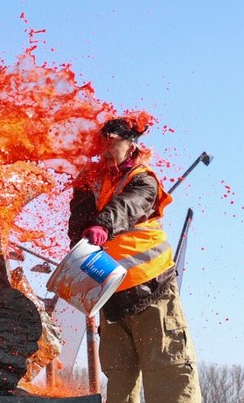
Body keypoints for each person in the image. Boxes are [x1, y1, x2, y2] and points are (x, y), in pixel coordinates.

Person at [68, 116, 201, 403]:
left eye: (112, 144)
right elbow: (77, 224)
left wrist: (102, 225)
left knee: (168, 372)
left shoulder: (142, 178)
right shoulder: (92, 181)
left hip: (151, 288)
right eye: (101, 144)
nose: (104, 150)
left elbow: (128, 205)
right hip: (111, 295)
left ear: (130, 146)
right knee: (119, 379)